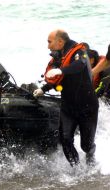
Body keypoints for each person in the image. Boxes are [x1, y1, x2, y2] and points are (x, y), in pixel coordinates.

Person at [33, 29, 99, 167]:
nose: (48, 46)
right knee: (65, 139)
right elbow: (56, 79)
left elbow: (79, 66)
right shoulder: (59, 56)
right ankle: (76, 169)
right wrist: (43, 89)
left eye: (49, 42)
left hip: (87, 106)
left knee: (86, 145)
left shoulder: (79, 52)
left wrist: (61, 70)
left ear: (60, 41)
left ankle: (91, 158)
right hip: (68, 106)